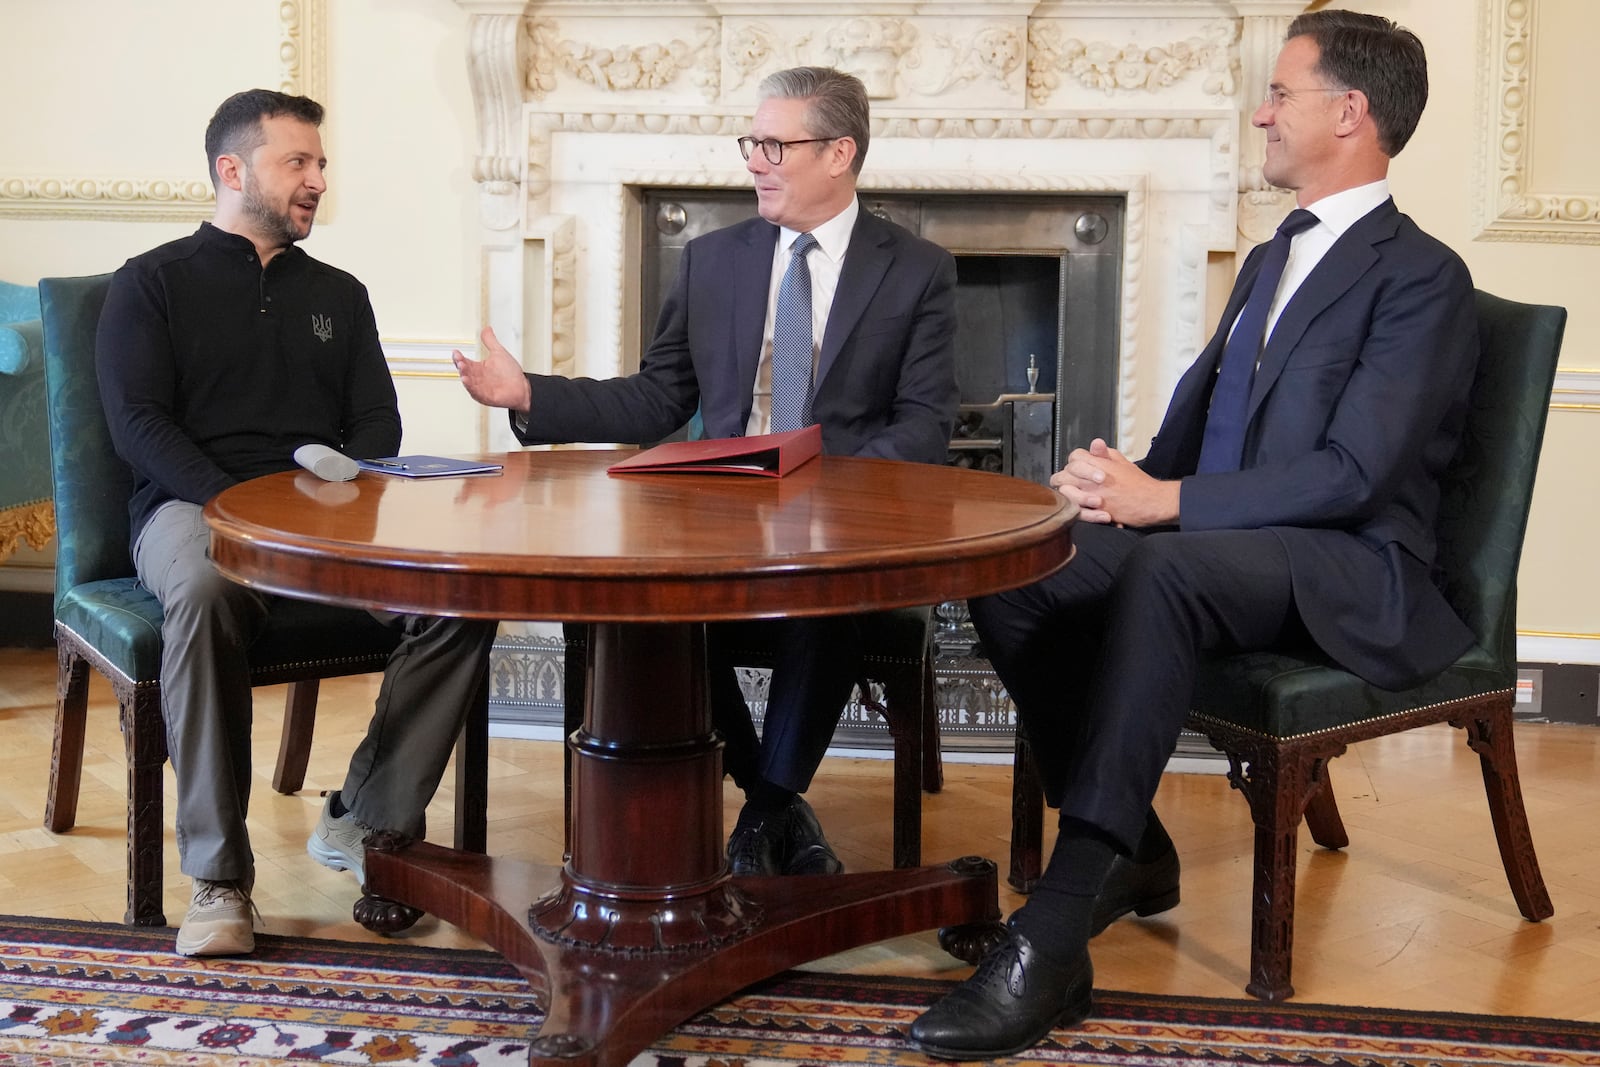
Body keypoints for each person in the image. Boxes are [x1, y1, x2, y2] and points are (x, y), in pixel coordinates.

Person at [909, 11, 1478, 1059]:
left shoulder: (1423, 277)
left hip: (1349, 561)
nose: (1259, 112)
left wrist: (1164, 507)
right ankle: (1137, 847)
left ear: (1349, 112)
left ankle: (1058, 919)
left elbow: (1356, 473)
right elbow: (1192, 429)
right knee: (1020, 569)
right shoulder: (1270, 258)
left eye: (1280, 92)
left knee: (1163, 570)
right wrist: (1110, 483)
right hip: (1222, 540)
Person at [453, 66, 958, 877]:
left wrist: (827, 493)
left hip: (846, 531)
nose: (754, 160)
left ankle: (761, 815)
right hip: (722, 516)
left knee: (827, 603)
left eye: (774, 144)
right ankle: (777, 804)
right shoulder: (712, 260)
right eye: (750, 142)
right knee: (652, 603)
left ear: (840, 153)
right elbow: (658, 397)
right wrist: (530, 395)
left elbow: (925, 428)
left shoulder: (918, 270)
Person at [96, 89, 500, 957]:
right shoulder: (150, 284)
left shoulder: (339, 295)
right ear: (232, 170)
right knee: (203, 593)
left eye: (321, 164)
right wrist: (239, 508)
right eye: (299, 163)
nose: (319, 179)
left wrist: (332, 499)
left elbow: (376, 427)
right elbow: (138, 426)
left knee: (460, 595)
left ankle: (368, 820)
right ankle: (218, 879)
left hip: (329, 518)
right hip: (190, 512)